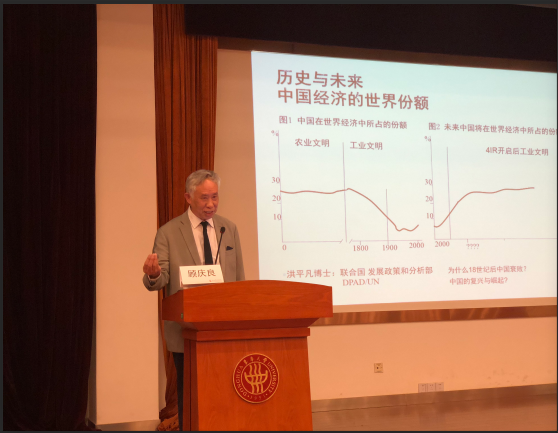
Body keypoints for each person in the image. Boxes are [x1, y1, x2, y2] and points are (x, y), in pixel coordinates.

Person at [142, 169, 245, 430]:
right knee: (190, 395)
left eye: (215, 197)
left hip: (223, 327)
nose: (211, 204)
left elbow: (238, 278)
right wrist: (153, 274)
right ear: (188, 197)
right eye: (204, 198)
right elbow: (161, 278)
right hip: (186, 328)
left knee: (225, 392)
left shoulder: (228, 229)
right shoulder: (168, 232)